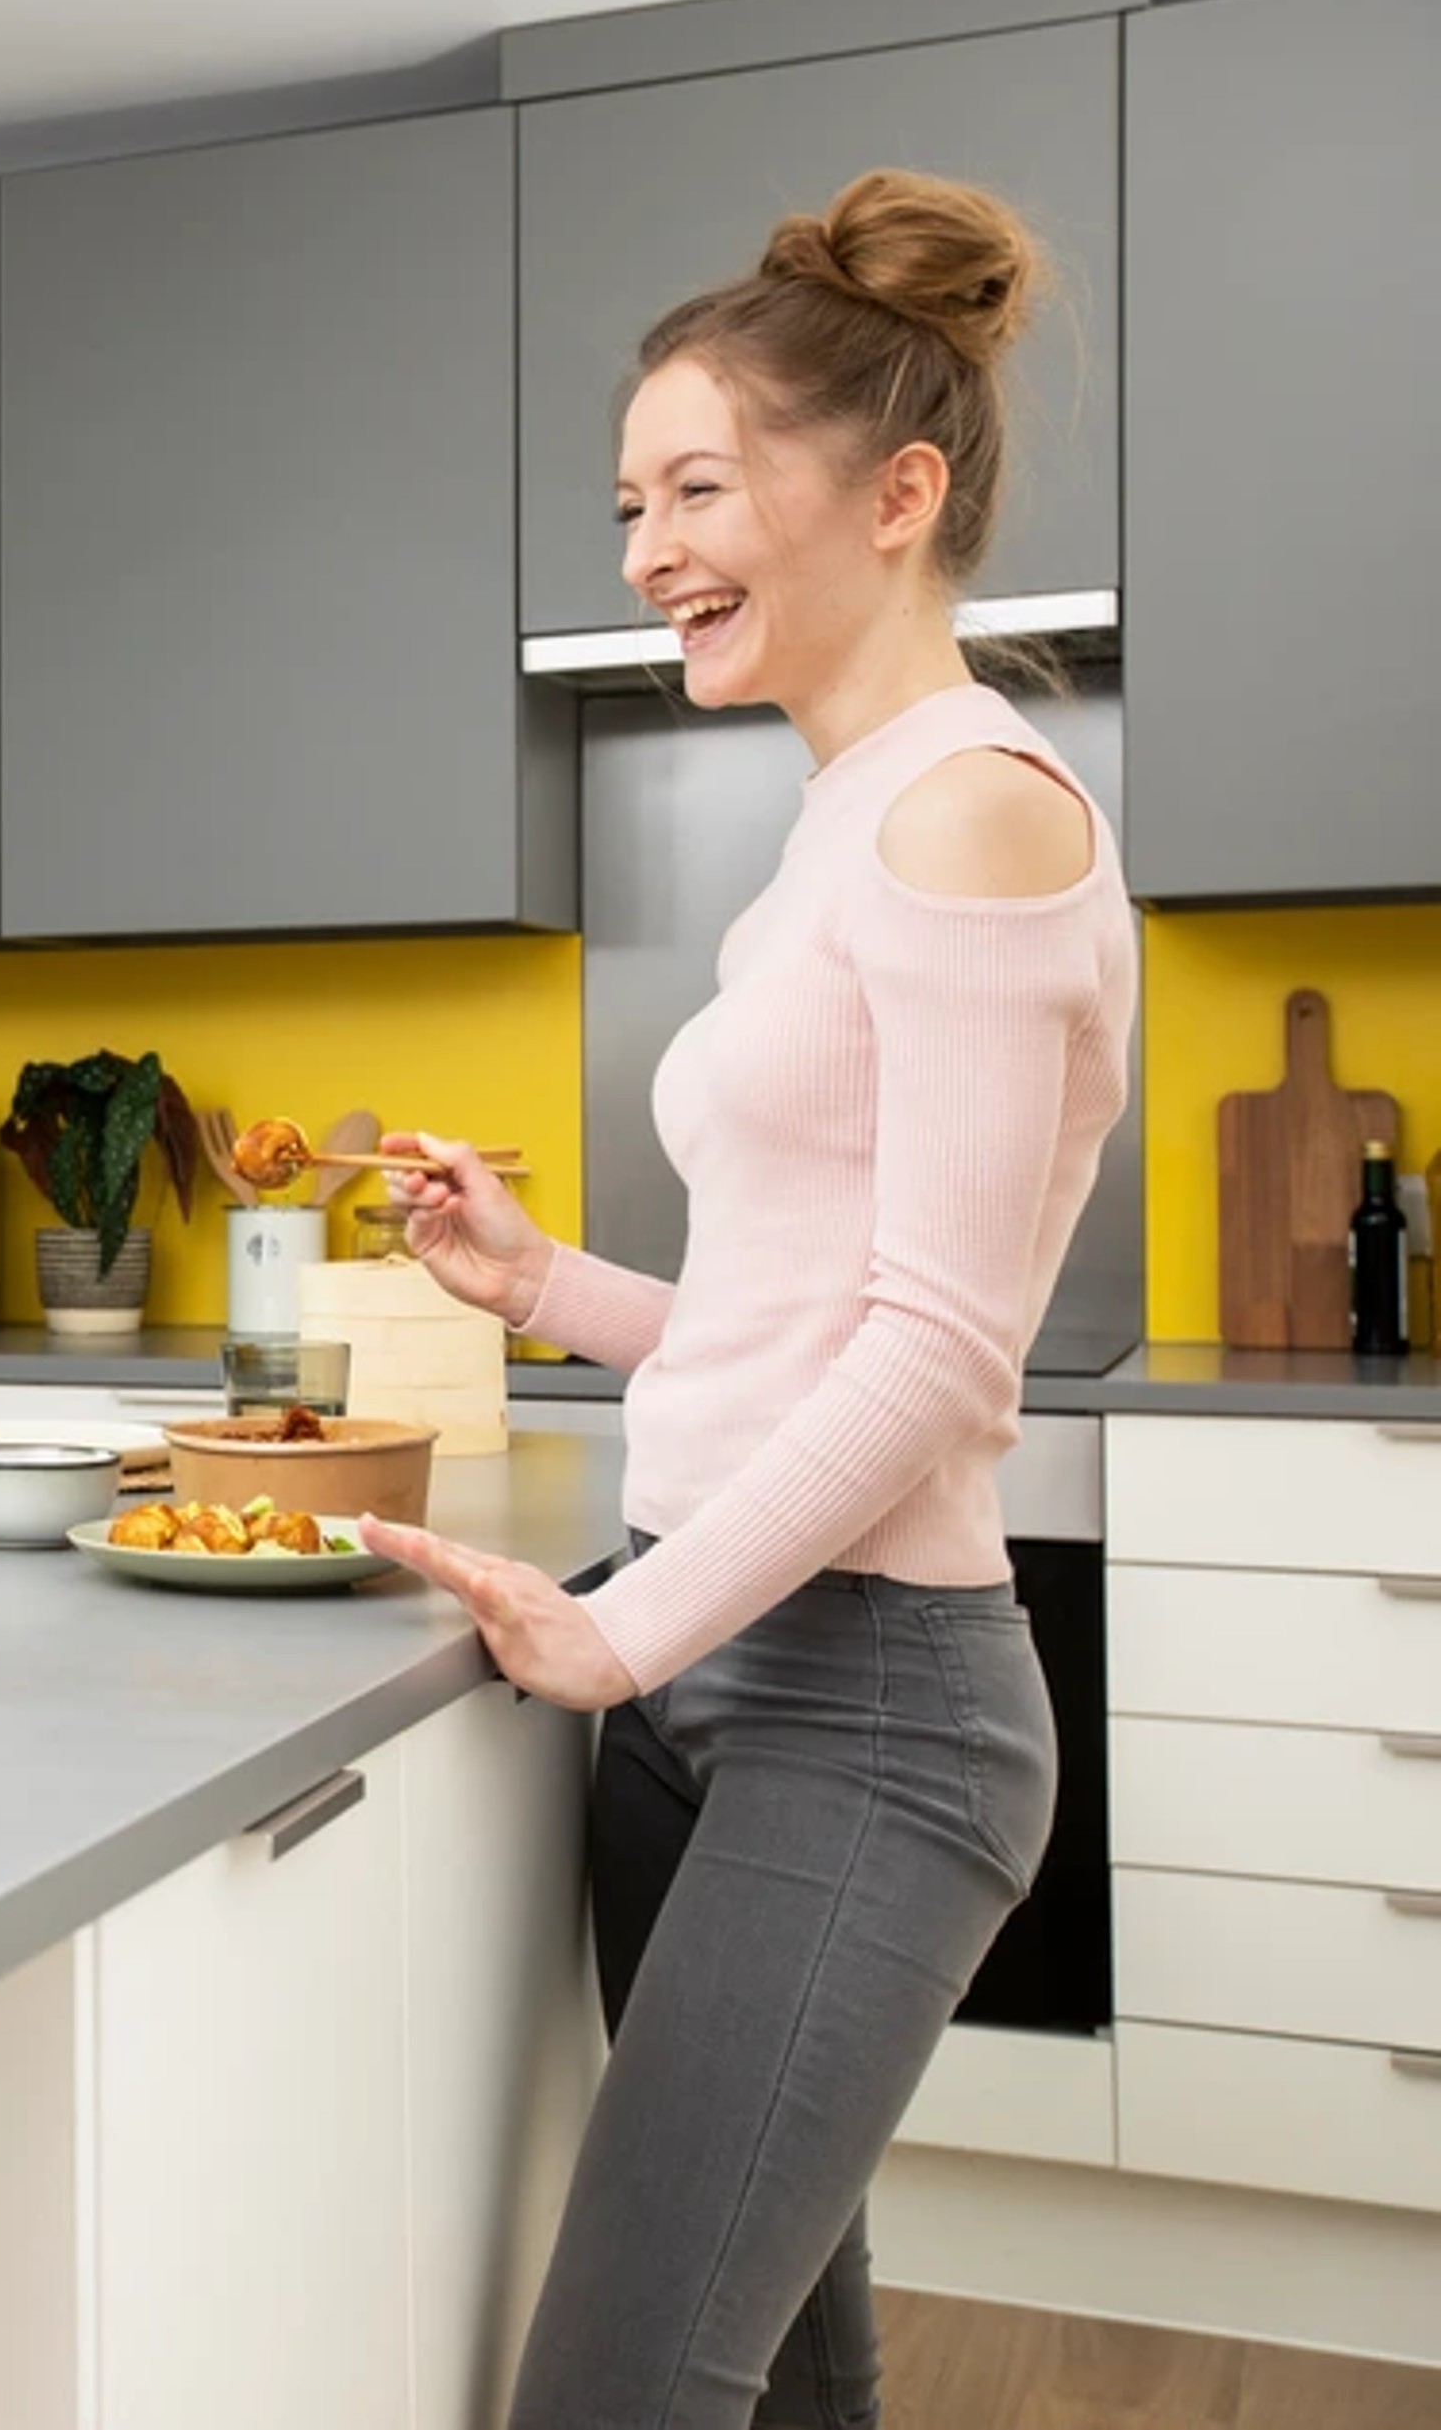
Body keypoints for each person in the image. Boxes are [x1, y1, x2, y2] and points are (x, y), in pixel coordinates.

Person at [353, 171, 1135, 2429]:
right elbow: (798, 1308)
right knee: (782, 2375)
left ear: (894, 493)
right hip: (714, 1684)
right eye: (626, 499)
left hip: (865, 1708)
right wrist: (544, 1282)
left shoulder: (973, 817)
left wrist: (623, 1621)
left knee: (616, 2386)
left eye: (694, 486)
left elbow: (931, 1352)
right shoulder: (841, 814)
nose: (640, 547)